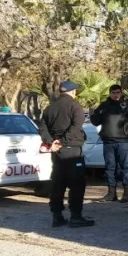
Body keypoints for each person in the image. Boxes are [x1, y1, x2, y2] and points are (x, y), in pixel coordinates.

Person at [38, 80, 94, 228]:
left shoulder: (49, 108)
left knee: (58, 182)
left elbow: (42, 128)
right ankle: (76, 216)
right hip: (72, 150)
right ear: (73, 92)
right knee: (77, 183)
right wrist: (62, 141)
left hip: (57, 151)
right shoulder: (75, 107)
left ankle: (57, 215)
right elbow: (76, 126)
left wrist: (51, 142)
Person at [90, 84, 128, 203]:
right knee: (110, 168)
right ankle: (111, 194)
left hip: (124, 142)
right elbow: (94, 121)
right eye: (114, 93)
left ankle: (126, 193)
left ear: (121, 93)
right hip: (108, 142)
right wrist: (95, 112)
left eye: (118, 92)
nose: (116, 95)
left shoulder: (127, 105)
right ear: (110, 93)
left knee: (126, 167)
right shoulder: (104, 106)